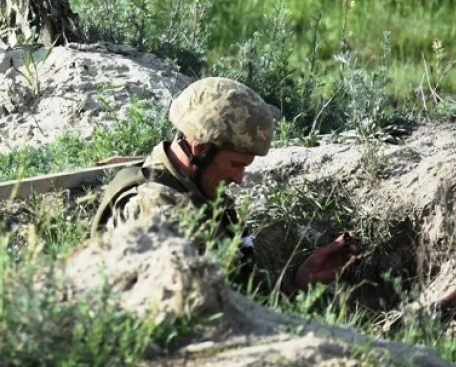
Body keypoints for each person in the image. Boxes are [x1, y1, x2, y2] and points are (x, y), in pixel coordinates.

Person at [91, 76, 354, 292]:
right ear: (201, 149)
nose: (239, 179)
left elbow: (235, 290)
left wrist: (299, 280)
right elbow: (198, 314)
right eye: (235, 165)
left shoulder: (195, 193)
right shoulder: (154, 210)